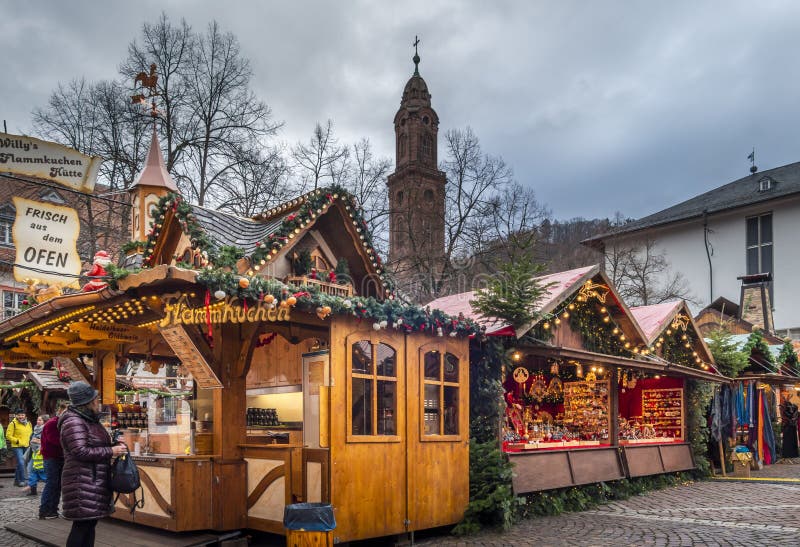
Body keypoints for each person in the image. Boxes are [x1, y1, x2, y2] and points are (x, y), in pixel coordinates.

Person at [59, 382, 126, 547]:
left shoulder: (88, 419)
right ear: (88, 401)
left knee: (89, 524)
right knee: (82, 526)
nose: (98, 401)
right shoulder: (74, 421)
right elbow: (80, 451)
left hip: (92, 480)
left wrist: (114, 444)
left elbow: (94, 445)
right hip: (81, 481)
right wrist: (111, 451)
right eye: (96, 398)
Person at [40, 403, 68, 519]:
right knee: (52, 484)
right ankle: (45, 510)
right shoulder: (52, 423)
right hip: (51, 457)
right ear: (61, 411)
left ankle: (53, 510)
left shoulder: (61, 424)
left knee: (57, 485)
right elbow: (55, 440)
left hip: (58, 457)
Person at [5, 409, 32, 487]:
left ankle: (16, 481)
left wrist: (30, 441)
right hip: (17, 446)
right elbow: (8, 435)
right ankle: (22, 480)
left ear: (25, 416)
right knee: (21, 462)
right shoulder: (13, 424)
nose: (21, 416)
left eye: (22, 415)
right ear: (16, 416)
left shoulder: (29, 423)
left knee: (21, 463)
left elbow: (30, 434)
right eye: (19, 415)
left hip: (26, 446)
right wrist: (17, 441)